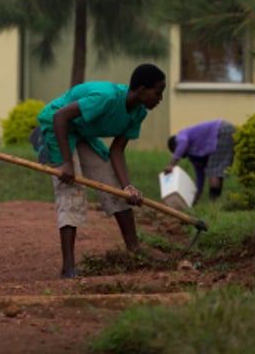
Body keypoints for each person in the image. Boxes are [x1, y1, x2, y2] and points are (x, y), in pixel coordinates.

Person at [29, 63, 167, 279]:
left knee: (114, 184)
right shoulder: (105, 98)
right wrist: (67, 163)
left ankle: (134, 252)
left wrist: (127, 187)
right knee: (71, 190)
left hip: (82, 131)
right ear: (141, 90)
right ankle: (68, 268)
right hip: (58, 127)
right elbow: (60, 118)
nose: (160, 99)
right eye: (157, 92)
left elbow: (117, 151)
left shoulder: (138, 112)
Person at [163, 119, 236, 204]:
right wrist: (195, 199)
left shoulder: (181, 136)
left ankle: (213, 203)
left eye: (175, 151)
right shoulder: (194, 155)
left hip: (221, 131)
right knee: (217, 170)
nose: (180, 155)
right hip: (223, 133)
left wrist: (172, 164)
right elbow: (200, 177)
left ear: (175, 146)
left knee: (214, 171)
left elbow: (183, 143)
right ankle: (215, 203)